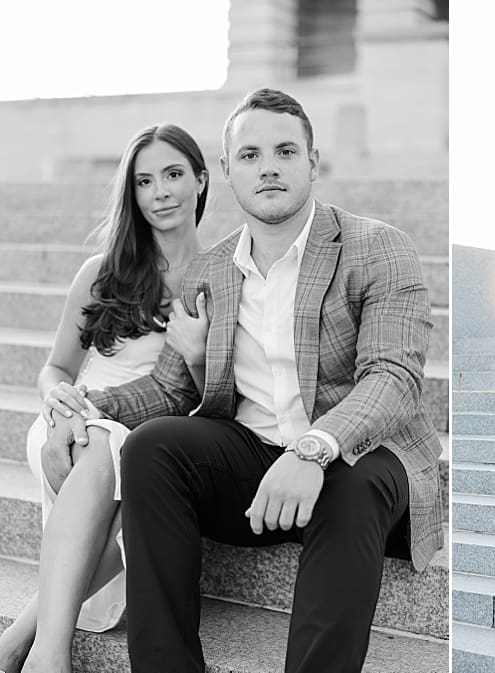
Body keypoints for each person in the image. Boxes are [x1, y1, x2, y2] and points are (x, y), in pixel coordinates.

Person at [44, 88, 443, 673]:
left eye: (285, 151)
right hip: (253, 461)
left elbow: (393, 376)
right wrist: (81, 405)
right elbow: (169, 393)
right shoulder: (211, 269)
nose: (270, 167)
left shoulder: (378, 247)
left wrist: (314, 448)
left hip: (360, 456)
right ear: (227, 171)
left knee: (351, 488)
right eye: (251, 155)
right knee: (155, 445)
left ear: (312, 160)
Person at [0, 123, 210, 673]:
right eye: (144, 181)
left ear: (201, 180)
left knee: (126, 452)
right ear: (132, 194)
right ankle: (49, 654)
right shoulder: (101, 273)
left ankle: (24, 639)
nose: (160, 192)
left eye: (172, 175)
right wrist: (59, 402)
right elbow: (54, 368)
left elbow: (212, 389)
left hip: (155, 428)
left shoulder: (220, 278)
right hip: (77, 417)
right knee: (98, 441)